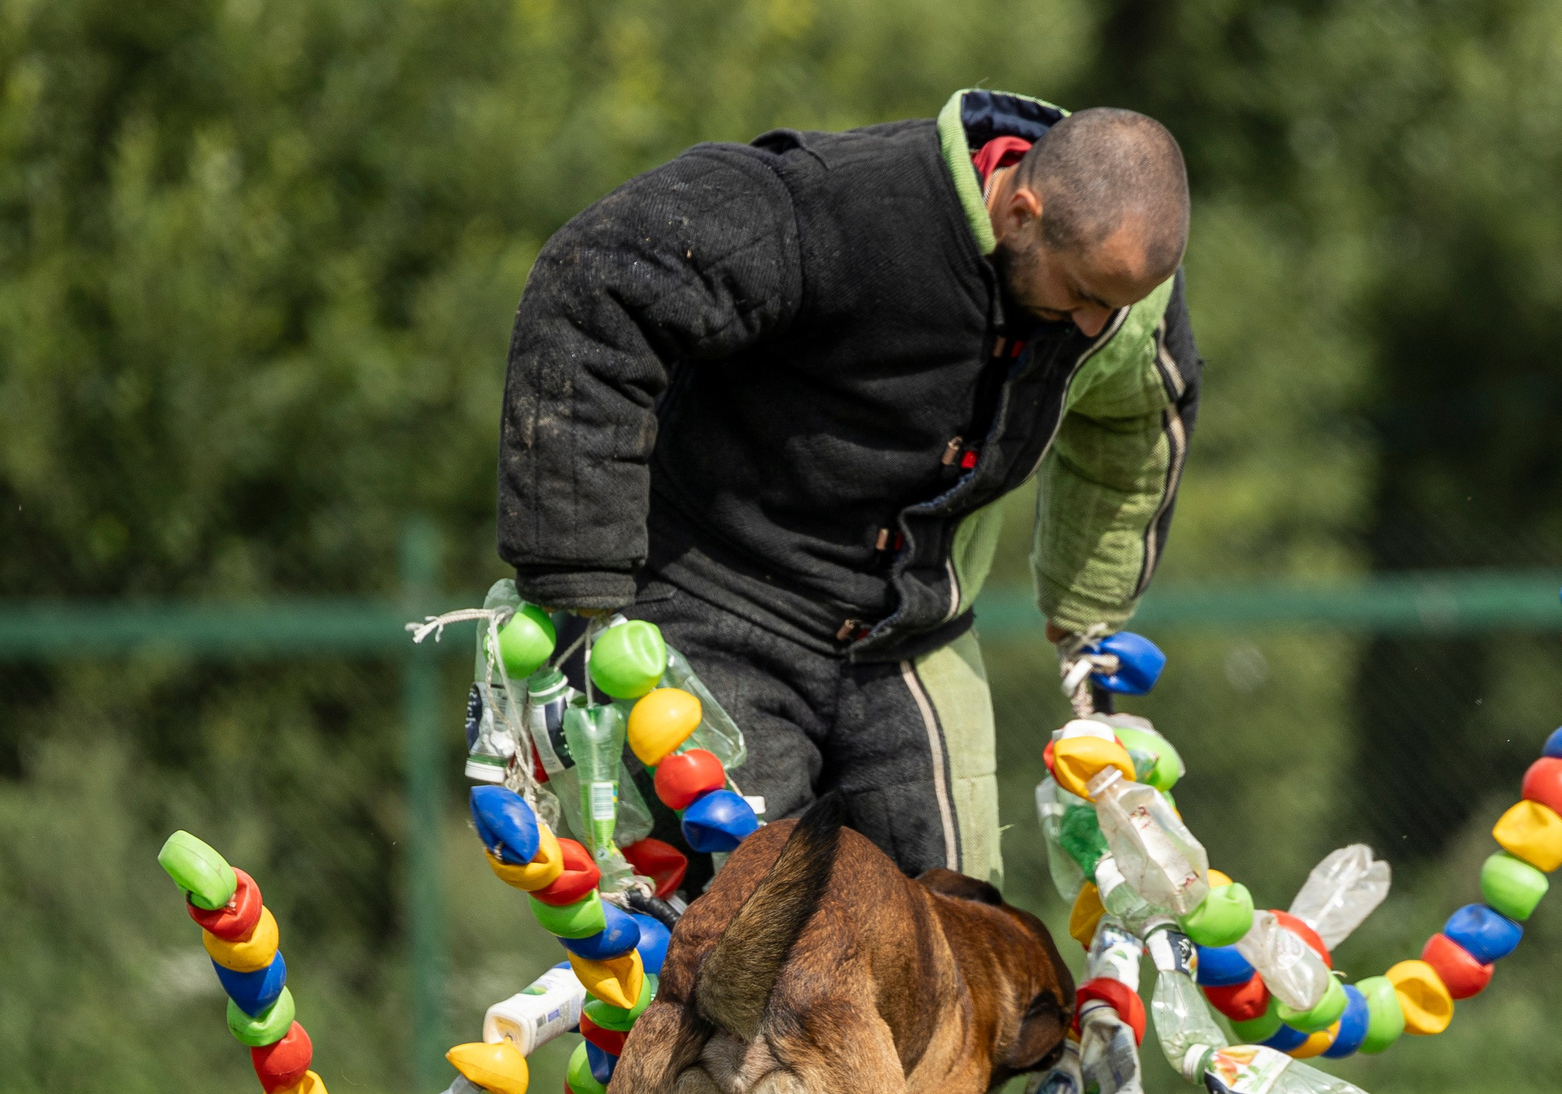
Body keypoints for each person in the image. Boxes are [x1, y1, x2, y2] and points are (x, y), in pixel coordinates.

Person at [494, 89, 1199, 888]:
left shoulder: (1123, 306)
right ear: (1022, 214)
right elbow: (599, 282)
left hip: (917, 641)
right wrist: (579, 579)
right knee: (739, 953)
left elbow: (1136, 420)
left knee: (966, 961)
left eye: (1117, 308)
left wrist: (1084, 610)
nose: (1091, 325)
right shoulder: (832, 204)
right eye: (1082, 294)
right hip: (713, 604)